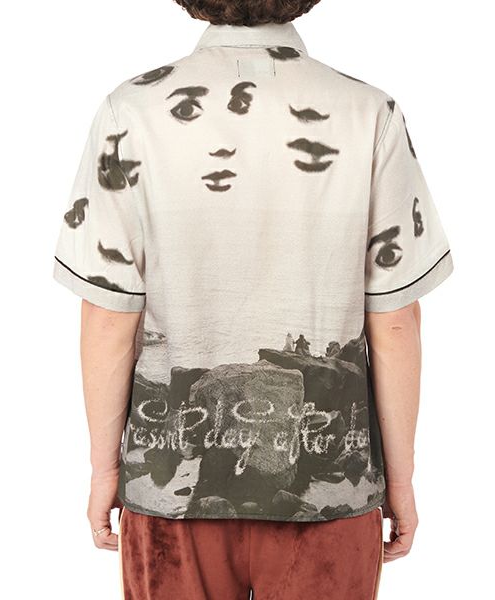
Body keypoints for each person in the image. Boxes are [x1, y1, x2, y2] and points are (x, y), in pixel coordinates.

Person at [52, 1, 453, 598]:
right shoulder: (370, 113)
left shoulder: (128, 112)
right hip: (326, 501)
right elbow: (395, 322)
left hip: (171, 493)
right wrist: (401, 479)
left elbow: (107, 317)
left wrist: (104, 470)